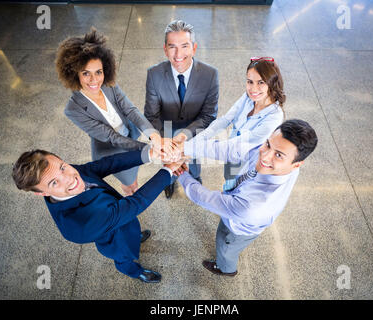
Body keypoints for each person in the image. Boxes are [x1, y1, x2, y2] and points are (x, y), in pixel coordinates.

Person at [12, 147, 184, 283]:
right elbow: (134, 203)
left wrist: (151, 154)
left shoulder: (67, 171)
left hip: (125, 220)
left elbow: (108, 164)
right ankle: (136, 272)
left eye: (63, 167)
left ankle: (136, 236)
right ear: (41, 193)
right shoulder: (79, 226)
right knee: (125, 258)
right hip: (115, 242)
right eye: (54, 182)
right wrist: (167, 171)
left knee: (132, 231)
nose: (69, 178)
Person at [176, 119, 318, 276]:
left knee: (226, 248)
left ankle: (225, 269)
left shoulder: (253, 207)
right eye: (268, 145)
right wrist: (185, 148)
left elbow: (203, 198)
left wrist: (181, 174)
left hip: (238, 228)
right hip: (239, 208)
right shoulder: (285, 164)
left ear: (297, 164)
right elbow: (230, 149)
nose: (264, 156)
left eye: (278, 155)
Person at [56, 28, 172, 196]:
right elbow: (112, 137)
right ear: (74, 74)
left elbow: (130, 110)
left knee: (134, 175)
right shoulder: (73, 109)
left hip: (131, 137)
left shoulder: (109, 85)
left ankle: (133, 190)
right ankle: (131, 198)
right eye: (86, 73)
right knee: (129, 182)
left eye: (98, 72)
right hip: (113, 152)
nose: (94, 80)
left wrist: (154, 137)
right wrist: (149, 149)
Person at [144, 20, 219, 199]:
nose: (178, 54)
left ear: (194, 48)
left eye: (184, 46)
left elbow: (209, 115)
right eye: (172, 47)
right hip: (166, 133)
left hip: (194, 131)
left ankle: (195, 177)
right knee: (168, 165)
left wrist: (185, 135)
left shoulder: (210, 75)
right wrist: (165, 142)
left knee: (193, 164)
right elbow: (151, 115)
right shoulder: (154, 74)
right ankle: (169, 182)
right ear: (165, 49)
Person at [192, 57, 285, 191]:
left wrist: (194, 148)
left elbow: (240, 143)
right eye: (250, 82)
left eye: (261, 82)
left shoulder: (275, 116)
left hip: (250, 166)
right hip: (232, 158)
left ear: (272, 83)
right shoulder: (248, 98)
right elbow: (225, 120)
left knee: (239, 190)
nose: (253, 88)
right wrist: (198, 139)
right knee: (229, 181)